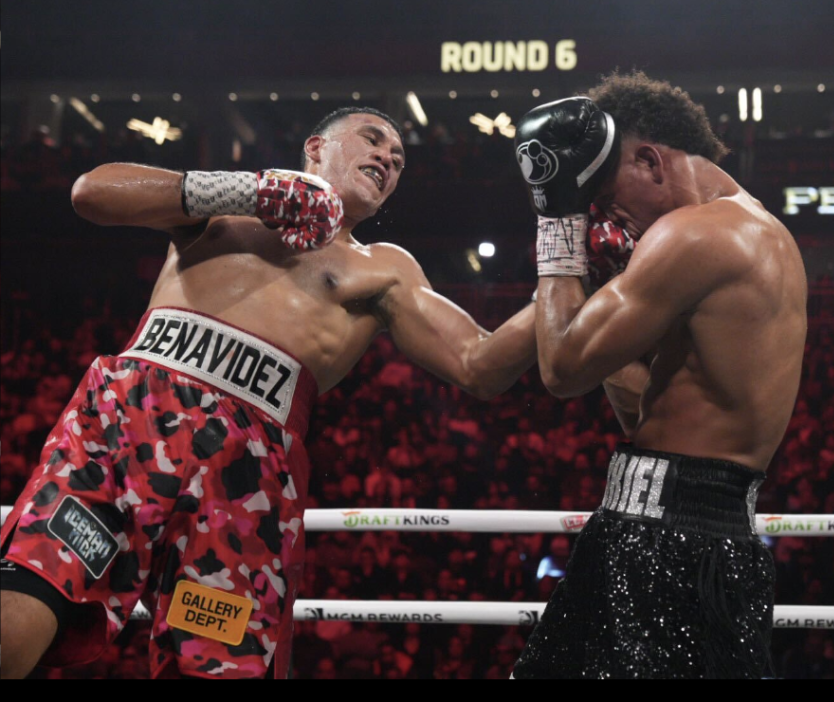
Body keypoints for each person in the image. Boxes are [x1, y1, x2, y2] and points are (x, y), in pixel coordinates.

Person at [0, 107, 539, 680]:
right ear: (316, 147)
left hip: (244, 472)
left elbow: (481, 364)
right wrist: (250, 192)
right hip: (130, 417)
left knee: (214, 667)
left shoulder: (385, 269)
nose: (388, 157)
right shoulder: (227, 208)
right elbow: (92, 193)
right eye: (373, 139)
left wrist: (566, 260)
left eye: (399, 160)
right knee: (30, 593)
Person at [511, 71, 808, 679]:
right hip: (703, 530)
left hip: (664, 542)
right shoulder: (762, 232)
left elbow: (561, 369)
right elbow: (644, 409)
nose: (603, 215)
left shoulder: (693, 235)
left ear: (649, 161)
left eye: (603, 194)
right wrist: (610, 303)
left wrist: (557, 221)